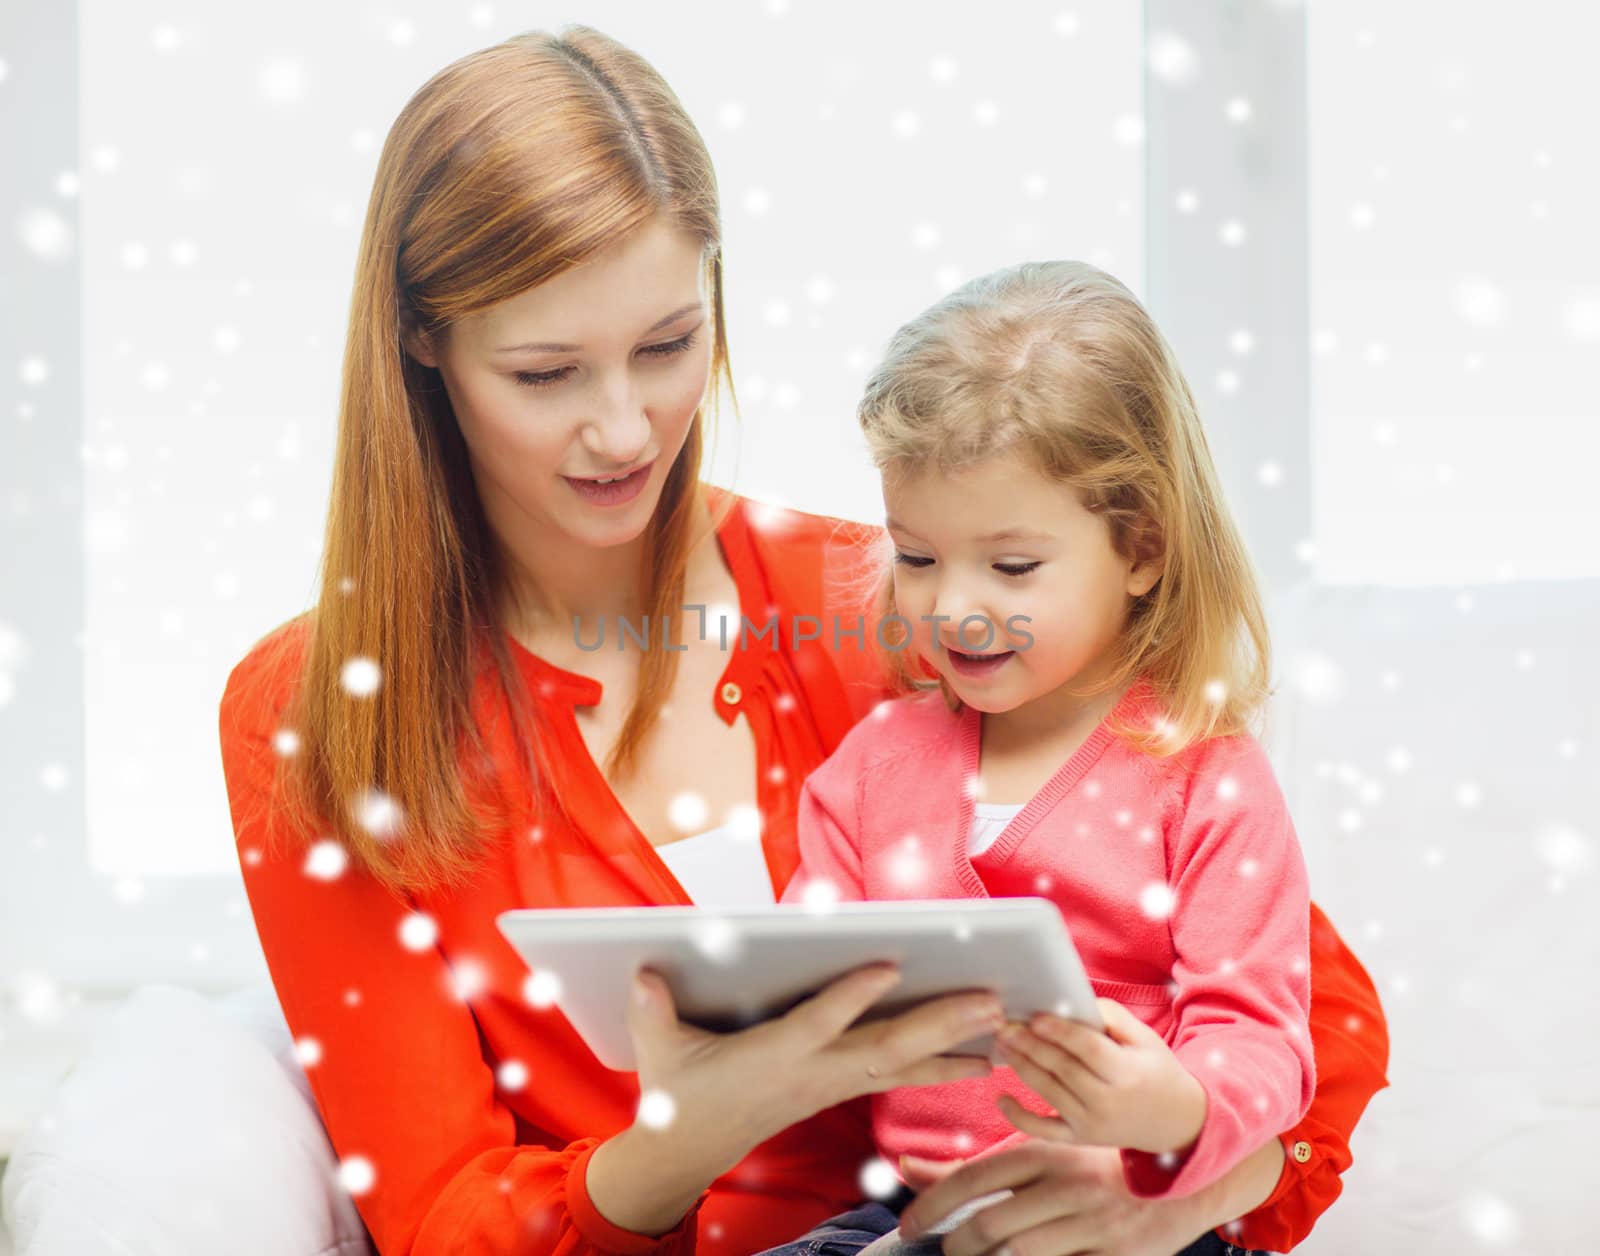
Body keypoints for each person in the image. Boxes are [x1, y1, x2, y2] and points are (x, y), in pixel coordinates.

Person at [217, 26, 1390, 1256]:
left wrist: (1175, 1192)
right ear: (422, 342)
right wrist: (678, 1144)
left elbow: (1323, 1024)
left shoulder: (906, 597)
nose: (624, 430)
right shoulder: (313, 713)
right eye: (547, 371)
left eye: (669, 346)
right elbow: (440, 1220)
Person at [761, 260, 1321, 1256]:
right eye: (918, 556)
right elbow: (807, 976)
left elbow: (1263, 1037)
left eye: (1012, 566)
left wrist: (1174, 1108)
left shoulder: (1202, 775)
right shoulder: (872, 764)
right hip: (914, 1210)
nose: (952, 605)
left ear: (1141, 548)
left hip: (1135, 1215)